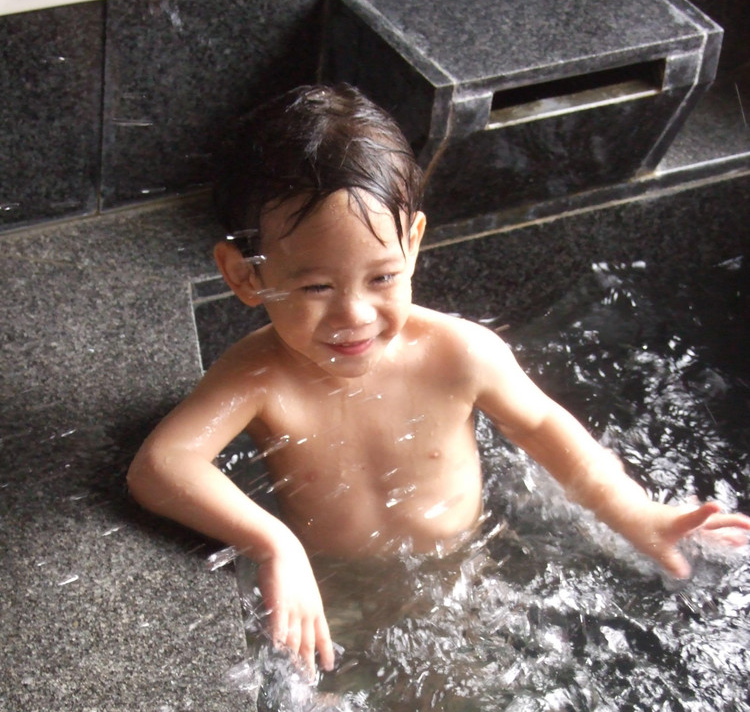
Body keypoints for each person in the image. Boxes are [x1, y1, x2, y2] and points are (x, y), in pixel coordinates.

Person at [127, 84, 750, 677]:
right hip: (332, 585)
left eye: (382, 277)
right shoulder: (258, 376)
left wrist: (636, 512)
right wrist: (275, 544)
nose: (355, 315)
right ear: (244, 276)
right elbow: (160, 467)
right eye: (316, 287)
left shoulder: (459, 354)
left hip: (461, 573)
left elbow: (543, 427)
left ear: (414, 242)